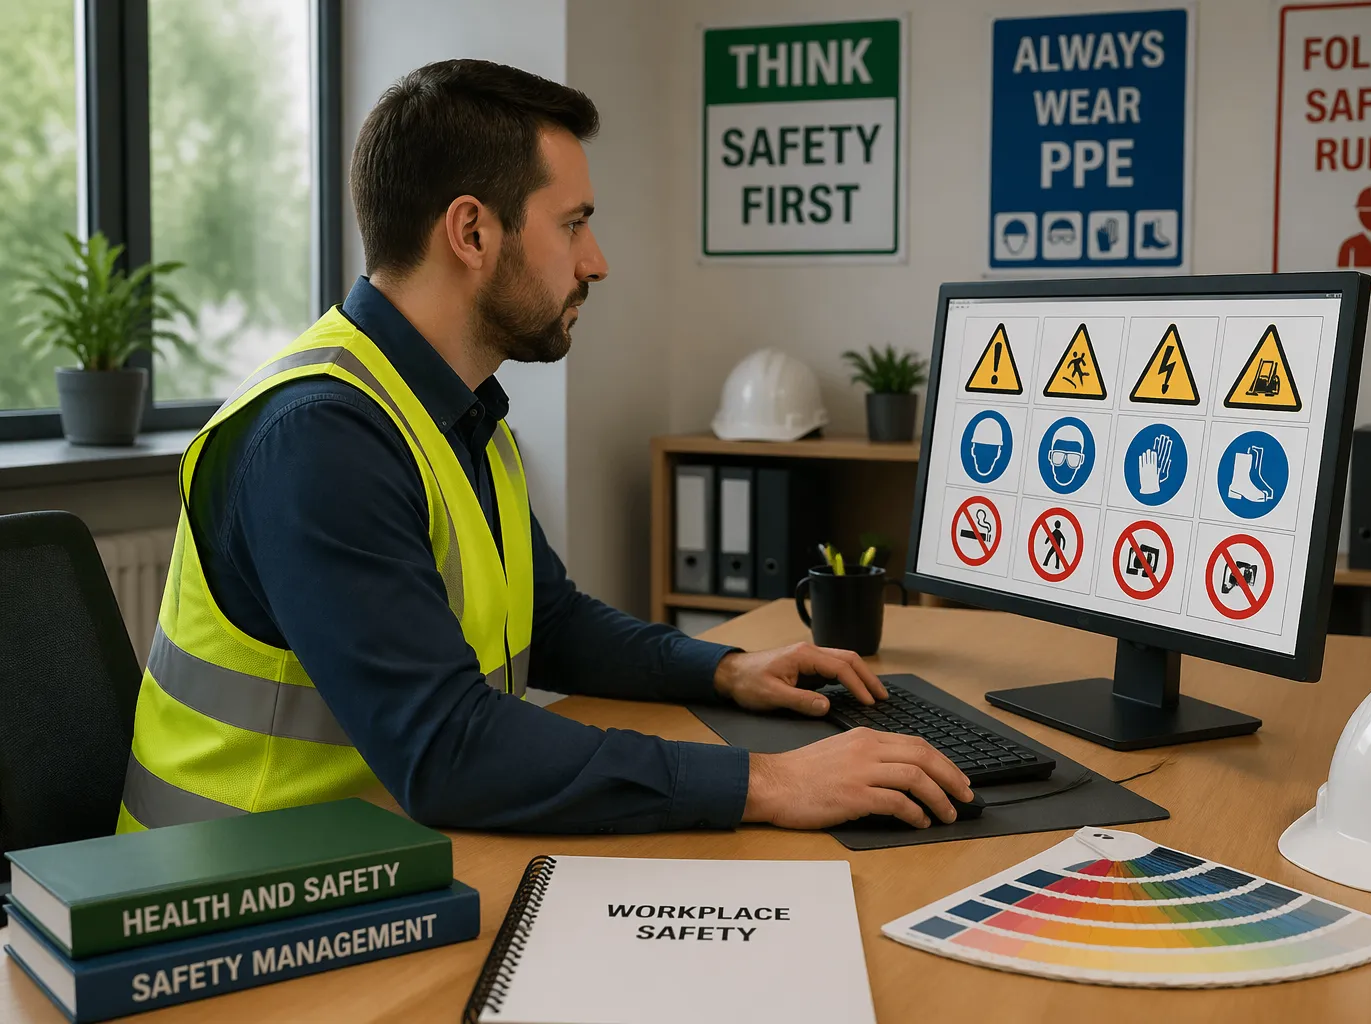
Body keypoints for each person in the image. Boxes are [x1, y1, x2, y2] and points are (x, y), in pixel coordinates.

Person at [118, 60, 970, 837]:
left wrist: (727, 672)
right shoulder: (318, 438)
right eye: (573, 224)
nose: (595, 262)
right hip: (236, 902)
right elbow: (447, 751)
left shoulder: (455, 412)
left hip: (382, 865)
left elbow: (548, 620)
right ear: (472, 233)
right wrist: (769, 782)